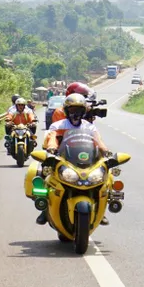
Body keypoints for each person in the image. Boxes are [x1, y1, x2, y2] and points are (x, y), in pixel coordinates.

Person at [38, 94, 110, 225]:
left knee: (105, 175)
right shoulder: (57, 125)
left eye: (78, 110)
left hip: (86, 159)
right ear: (66, 111)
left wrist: (105, 151)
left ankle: (101, 210)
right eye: (72, 110)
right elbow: (52, 138)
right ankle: (44, 208)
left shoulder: (89, 127)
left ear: (83, 111)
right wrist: (52, 148)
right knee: (45, 172)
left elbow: (98, 141)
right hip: (63, 158)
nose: (75, 113)